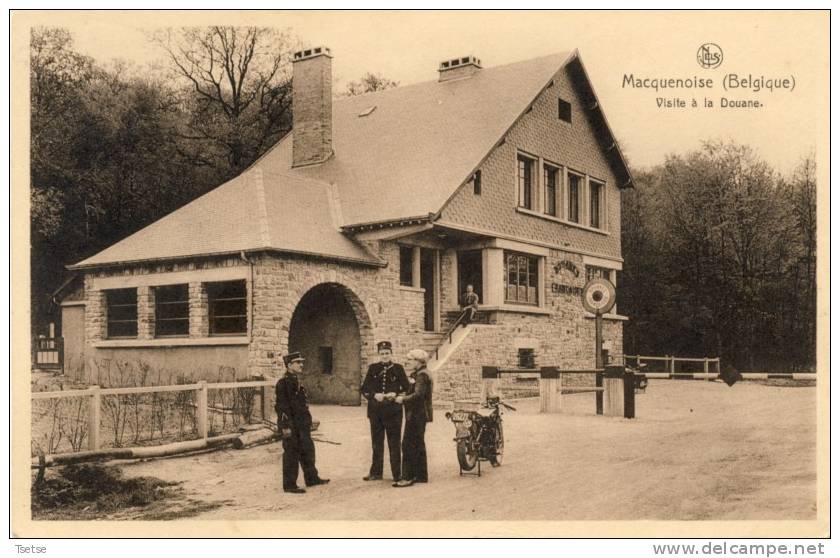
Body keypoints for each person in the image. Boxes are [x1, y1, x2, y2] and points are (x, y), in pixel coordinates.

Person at [275, 352, 329, 494]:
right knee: (291, 454)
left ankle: (312, 478)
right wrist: (285, 426)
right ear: (289, 365)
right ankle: (290, 485)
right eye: (297, 362)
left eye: (301, 362)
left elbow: (303, 405)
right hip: (292, 425)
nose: (301, 364)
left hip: (302, 424)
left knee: (308, 451)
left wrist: (309, 420)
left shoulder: (297, 381)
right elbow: (281, 407)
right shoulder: (283, 383)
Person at [360, 341, 409, 481]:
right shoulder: (373, 368)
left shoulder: (398, 369)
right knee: (377, 443)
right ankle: (376, 472)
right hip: (376, 412)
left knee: (394, 443)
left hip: (393, 411)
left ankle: (397, 474)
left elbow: (406, 388)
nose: (385, 356)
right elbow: (364, 389)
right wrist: (375, 395)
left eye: (387, 353)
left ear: (391, 353)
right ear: (378, 354)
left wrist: (397, 394)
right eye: (382, 354)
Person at [394, 349, 433, 487]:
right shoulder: (420, 373)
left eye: (411, 360)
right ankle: (421, 475)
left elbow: (418, 395)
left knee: (408, 444)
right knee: (418, 443)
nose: (408, 362)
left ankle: (408, 477)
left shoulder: (422, 375)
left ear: (418, 361)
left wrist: (402, 399)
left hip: (417, 414)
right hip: (420, 414)